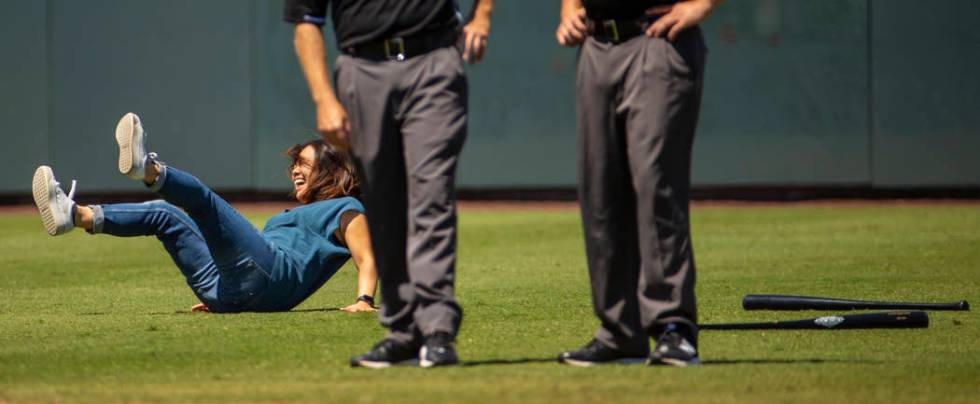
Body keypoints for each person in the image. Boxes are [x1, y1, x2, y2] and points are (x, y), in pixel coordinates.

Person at [285, 0, 494, 368]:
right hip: (361, 69)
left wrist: (482, 15)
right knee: (383, 207)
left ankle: (437, 330)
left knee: (430, 197)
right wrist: (323, 98)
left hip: (432, 59)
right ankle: (402, 331)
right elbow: (305, 20)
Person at [31, 113, 378, 314]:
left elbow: (366, 256)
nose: (294, 171)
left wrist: (364, 300)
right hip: (228, 294)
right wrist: (229, 294)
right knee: (164, 215)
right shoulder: (301, 214)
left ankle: (148, 169)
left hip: (269, 277)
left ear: (333, 171)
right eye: (293, 165)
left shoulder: (346, 207)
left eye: (303, 163)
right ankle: (74, 215)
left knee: (203, 201)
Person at [555, 0, 722, 367]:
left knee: (655, 186)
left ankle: (672, 326)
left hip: (658, 35)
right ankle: (619, 331)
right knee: (600, 193)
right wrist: (569, 9)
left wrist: (704, 5)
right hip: (596, 43)